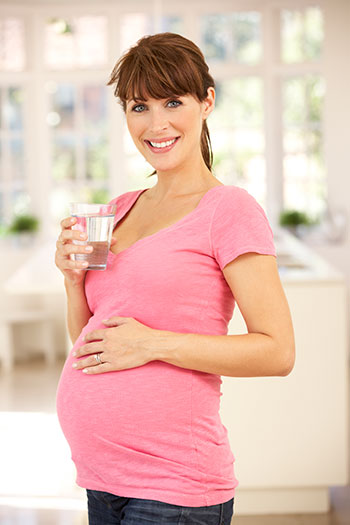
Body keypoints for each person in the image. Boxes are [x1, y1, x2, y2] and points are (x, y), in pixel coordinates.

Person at [55, 32, 295, 525]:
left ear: (207, 102)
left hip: (174, 487)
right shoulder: (116, 211)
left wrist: (153, 344)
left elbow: (278, 351)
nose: (156, 124)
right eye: (139, 106)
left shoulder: (229, 210)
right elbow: (89, 342)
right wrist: (71, 279)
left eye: (172, 101)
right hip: (101, 478)